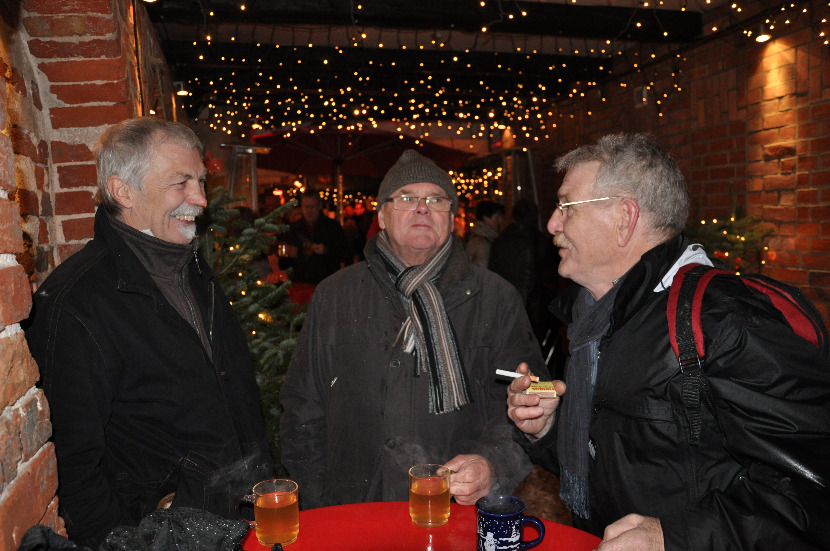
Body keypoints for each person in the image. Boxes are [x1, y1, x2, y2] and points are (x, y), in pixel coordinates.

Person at [505, 133, 830, 550]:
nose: (552, 223)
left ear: (624, 217)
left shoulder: (723, 321)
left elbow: (810, 496)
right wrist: (547, 429)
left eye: (566, 206)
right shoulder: (596, 319)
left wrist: (674, 537)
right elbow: (623, 461)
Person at [25, 117, 274, 548]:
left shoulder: (192, 272)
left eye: (199, 180)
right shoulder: (76, 301)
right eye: (180, 183)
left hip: (244, 520)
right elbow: (72, 464)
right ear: (123, 191)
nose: (199, 199)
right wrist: (130, 540)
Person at [280, 149, 546, 510]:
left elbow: (534, 397)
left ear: (451, 218)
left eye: (436, 199)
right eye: (407, 198)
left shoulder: (496, 297)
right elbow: (302, 407)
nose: (423, 208)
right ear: (382, 217)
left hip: (455, 512)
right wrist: (317, 502)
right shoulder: (336, 295)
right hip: (354, 509)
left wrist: (493, 464)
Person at [488, 199, 564, 376]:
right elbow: (548, 275)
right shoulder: (537, 241)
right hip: (533, 307)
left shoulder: (500, 241)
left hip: (504, 306)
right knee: (534, 359)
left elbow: (493, 273)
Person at [280, 192, 350, 284]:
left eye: (312, 207)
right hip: (300, 281)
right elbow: (285, 258)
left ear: (319, 206)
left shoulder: (333, 227)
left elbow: (345, 253)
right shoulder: (293, 229)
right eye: (306, 207)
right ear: (301, 207)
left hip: (326, 280)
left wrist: (326, 250)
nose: (309, 211)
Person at [464, 200, 505, 267]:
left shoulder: (485, 238)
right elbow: (483, 272)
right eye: (497, 217)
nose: (500, 221)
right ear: (486, 218)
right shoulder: (481, 242)